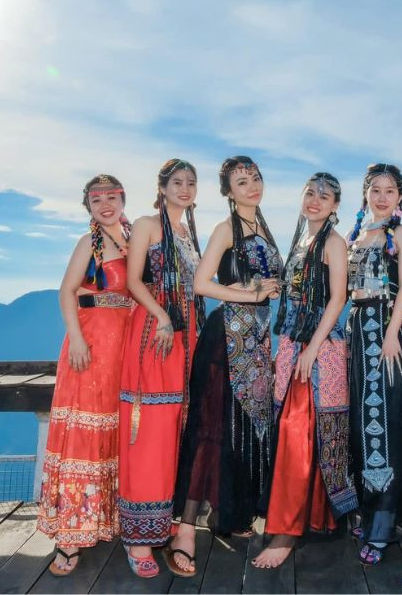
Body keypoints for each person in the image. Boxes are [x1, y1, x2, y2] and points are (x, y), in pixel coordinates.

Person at [169, 156, 282, 576]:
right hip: (225, 340)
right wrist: (252, 295)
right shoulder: (224, 229)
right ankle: (184, 530)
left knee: (243, 430)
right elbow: (202, 284)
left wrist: (268, 292)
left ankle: (229, 514)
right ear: (228, 192)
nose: (251, 186)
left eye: (255, 178)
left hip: (256, 341)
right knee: (211, 430)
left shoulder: (264, 228)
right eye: (241, 182)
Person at [252, 173, 356, 569]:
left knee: (297, 433)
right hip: (293, 344)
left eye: (324, 196)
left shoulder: (333, 242)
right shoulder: (302, 242)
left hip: (318, 349)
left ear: (335, 206)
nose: (315, 200)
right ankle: (305, 516)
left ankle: (286, 532)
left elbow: (338, 299)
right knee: (295, 432)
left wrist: (312, 349)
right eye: (310, 193)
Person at [37, 174, 133, 576]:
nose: (106, 205)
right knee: (83, 431)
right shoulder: (87, 243)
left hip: (124, 345)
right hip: (90, 344)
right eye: (97, 200)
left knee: (117, 429)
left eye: (112, 197)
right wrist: (76, 338)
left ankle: (107, 519)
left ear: (123, 199)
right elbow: (66, 291)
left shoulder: (134, 239)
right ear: (88, 206)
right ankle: (70, 534)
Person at [118, 159, 204, 578]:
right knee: (149, 428)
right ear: (162, 187)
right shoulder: (147, 225)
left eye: (191, 183)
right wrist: (164, 316)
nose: (185, 189)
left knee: (175, 426)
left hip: (187, 332)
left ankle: (163, 520)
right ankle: (138, 536)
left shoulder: (188, 233)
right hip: (157, 329)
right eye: (177, 182)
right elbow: (134, 281)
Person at [344, 164, 402, 565]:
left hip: (387, 332)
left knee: (385, 425)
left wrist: (392, 334)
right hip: (358, 332)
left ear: (400, 196)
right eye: (376, 189)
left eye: (390, 191)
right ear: (366, 193)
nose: (382, 197)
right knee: (362, 425)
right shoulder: (355, 236)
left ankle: (384, 526)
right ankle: (369, 510)